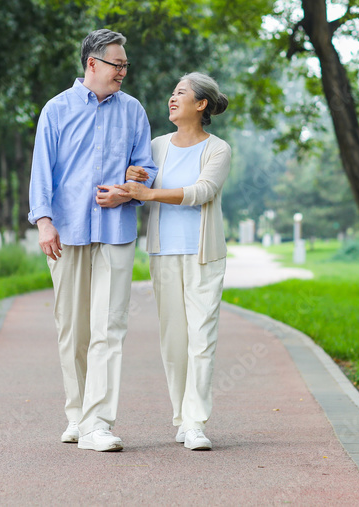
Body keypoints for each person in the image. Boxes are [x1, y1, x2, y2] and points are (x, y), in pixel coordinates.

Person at [28, 29, 158, 452]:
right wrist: (44, 221)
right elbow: (42, 170)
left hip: (116, 230)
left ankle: (98, 422)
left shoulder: (134, 111)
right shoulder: (57, 109)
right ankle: (77, 414)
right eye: (116, 64)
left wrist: (130, 188)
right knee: (72, 328)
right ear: (92, 64)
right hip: (66, 232)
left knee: (110, 326)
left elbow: (145, 168)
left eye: (125, 65)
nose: (122, 71)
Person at [106, 72, 231, 451]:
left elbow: (203, 191)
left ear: (201, 104)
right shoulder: (157, 145)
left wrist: (151, 191)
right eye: (172, 92)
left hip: (202, 254)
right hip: (163, 253)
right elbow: (139, 184)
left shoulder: (218, 149)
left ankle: (196, 423)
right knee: (173, 341)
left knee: (202, 338)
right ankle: (181, 417)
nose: (172, 98)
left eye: (181, 93)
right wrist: (134, 178)